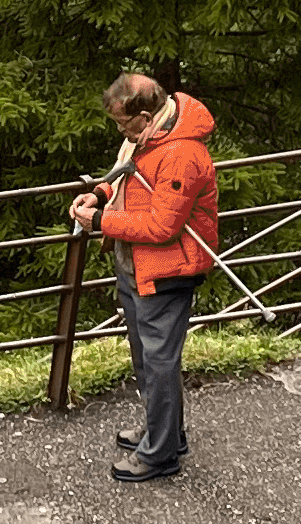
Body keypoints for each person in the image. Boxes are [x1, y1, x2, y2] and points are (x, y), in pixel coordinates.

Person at [72, 71, 219, 482]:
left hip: (167, 270)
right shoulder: (148, 139)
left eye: (124, 123)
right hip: (136, 265)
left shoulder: (181, 154)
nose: (121, 130)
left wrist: (101, 220)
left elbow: (162, 227)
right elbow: (128, 175)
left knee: (159, 363)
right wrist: (99, 193)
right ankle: (165, 433)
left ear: (147, 114)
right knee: (147, 357)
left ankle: (160, 455)